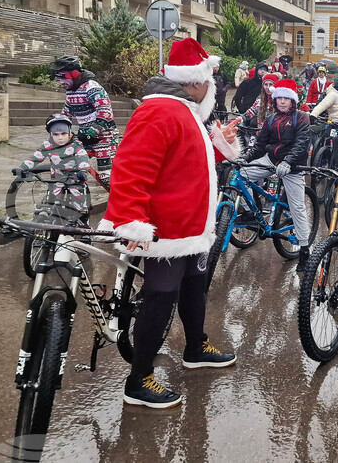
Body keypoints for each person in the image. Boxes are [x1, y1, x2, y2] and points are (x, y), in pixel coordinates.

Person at [98, 38, 241, 408]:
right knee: (160, 299)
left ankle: (195, 348)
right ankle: (139, 379)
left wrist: (218, 143)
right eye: (211, 80)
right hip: (167, 231)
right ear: (196, 80)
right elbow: (131, 167)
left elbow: (187, 158)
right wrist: (131, 221)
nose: (213, 87)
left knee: (195, 286)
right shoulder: (160, 110)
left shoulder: (185, 110)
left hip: (192, 229)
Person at [238, 79, 312, 269]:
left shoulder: (302, 117)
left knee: (297, 207)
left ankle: (304, 250)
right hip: (271, 160)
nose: (282, 102)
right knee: (242, 174)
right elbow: (260, 146)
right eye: (279, 98)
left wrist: (288, 162)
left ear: (293, 101)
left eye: (286, 98)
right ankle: (249, 212)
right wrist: (245, 158)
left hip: (293, 167)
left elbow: (301, 143)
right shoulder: (271, 119)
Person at [52, 56, 120, 187]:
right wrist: (57, 126)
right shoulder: (71, 91)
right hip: (85, 136)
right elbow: (67, 113)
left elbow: (105, 113)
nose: (61, 82)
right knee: (70, 165)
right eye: (59, 78)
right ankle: (75, 197)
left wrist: (93, 130)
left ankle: (121, 202)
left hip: (103, 137)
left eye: (63, 77)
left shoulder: (92, 88)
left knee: (106, 177)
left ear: (74, 74)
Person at [18, 114, 93, 219]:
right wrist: (22, 168)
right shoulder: (48, 146)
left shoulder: (76, 145)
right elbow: (35, 158)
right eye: (56, 134)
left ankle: (84, 223)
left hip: (75, 178)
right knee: (52, 201)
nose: (60, 138)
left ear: (69, 133)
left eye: (63, 133)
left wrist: (83, 171)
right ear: (50, 135)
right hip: (57, 179)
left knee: (79, 203)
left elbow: (82, 158)